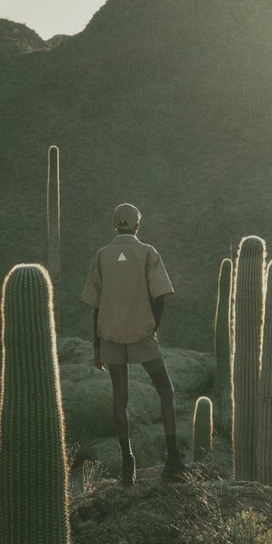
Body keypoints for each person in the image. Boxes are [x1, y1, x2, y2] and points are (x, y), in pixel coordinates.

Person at [81, 203, 188, 484]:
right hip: (143, 334)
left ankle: (127, 464)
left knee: (120, 397)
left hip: (110, 336)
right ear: (138, 225)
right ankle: (173, 459)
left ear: (114, 225)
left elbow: (95, 305)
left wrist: (96, 346)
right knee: (166, 391)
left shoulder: (102, 256)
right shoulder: (148, 253)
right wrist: (153, 323)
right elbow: (161, 295)